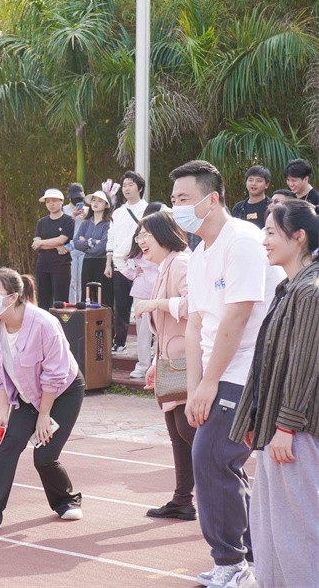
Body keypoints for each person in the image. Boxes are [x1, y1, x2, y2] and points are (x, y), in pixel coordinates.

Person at [170, 159, 284, 588]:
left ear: (212, 199)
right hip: (218, 370)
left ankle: (232, 562)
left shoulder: (244, 241)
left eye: (184, 199)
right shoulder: (199, 253)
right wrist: (195, 385)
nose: (176, 207)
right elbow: (196, 323)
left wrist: (211, 381)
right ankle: (254, 556)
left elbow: (239, 316)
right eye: (173, 200)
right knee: (218, 459)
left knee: (212, 456)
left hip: (249, 367)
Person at [230, 200, 319, 588]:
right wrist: (252, 419)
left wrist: (286, 427)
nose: (263, 240)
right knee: (270, 531)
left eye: (270, 232)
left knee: (298, 533)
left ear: (298, 237)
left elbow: (305, 364)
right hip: (275, 430)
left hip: (294, 433)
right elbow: (266, 361)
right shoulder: (289, 288)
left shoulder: (310, 291)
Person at [0, 268, 85, 532]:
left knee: (44, 456)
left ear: (13, 297)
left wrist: (44, 415)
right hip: (26, 395)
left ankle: (66, 500)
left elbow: (55, 374)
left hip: (62, 393)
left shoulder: (44, 324)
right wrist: (1, 413)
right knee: (8, 446)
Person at [134, 211, 197, 521]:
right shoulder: (165, 267)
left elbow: (195, 305)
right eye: (139, 236)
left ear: (163, 234)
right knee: (177, 431)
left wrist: (155, 304)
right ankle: (182, 500)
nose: (141, 241)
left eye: (146, 235)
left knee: (188, 430)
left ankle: (228, 488)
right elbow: (165, 329)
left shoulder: (182, 263)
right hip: (172, 362)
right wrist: (155, 363)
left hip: (188, 362)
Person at [106, 171, 149, 354]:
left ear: (140, 188)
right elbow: (111, 237)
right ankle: (120, 341)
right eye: (124, 185)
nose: (127, 188)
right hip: (121, 266)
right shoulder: (117, 213)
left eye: (131, 184)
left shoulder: (148, 210)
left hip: (142, 266)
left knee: (145, 307)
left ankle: (149, 342)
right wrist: (109, 263)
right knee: (121, 306)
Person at [122, 202, 164, 379]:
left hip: (163, 289)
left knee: (163, 330)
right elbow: (120, 256)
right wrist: (132, 273)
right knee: (144, 332)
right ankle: (143, 365)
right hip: (143, 289)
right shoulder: (138, 236)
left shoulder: (166, 234)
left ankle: (160, 365)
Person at [32, 188, 73, 309]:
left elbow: (62, 239)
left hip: (61, 265)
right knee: (43, 300)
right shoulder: (41, 222)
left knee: (61, 300)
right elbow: (36, 244)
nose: (51, 204)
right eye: (48, 201)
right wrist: (56, 245)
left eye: (54, 201)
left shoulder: (68, 220)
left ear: (61, 202)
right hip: (42, 264)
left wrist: (42, 243)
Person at [74, 190, 112, 308]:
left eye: (100, 201)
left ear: (106, 204)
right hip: (88, 262)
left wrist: (85, 242)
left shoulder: (108, 224)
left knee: (104, 297)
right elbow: (76, 243)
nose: (95, 203)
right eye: (94, 200)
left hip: (102, 262)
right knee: (87, 295)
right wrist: (93, 242)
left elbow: (102, 247)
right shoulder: (85, 223)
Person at [64, 183, 87, 303]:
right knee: (72, 279)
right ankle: (72, 304)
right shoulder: (64, 210)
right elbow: (63, 227)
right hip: (70, 246)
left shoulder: (87, 210)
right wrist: (73, 216)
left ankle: (82, 303)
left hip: (83, 247)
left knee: (82, 279)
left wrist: (86, 216)